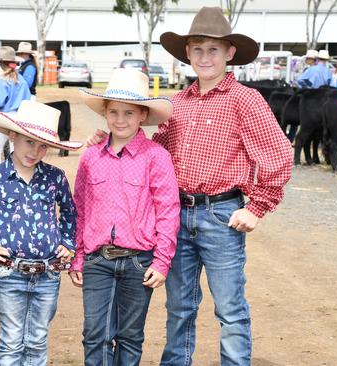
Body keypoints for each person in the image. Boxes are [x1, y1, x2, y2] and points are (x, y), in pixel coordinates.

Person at [87, 7, 293, 365]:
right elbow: (155, 151)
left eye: (213, 50)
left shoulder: (245, 100)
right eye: (197, 49)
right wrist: (114, 140)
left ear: (230, 53)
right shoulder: (176, 104)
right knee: (179, 305)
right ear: (187, 54)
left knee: (230, 306)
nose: (205, 57)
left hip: (222, 213)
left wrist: (257, 206)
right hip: (178, 213)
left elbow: (278, 154)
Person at [70, 68, 180, 365]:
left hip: (139, 260)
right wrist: (78, 256)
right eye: (114, 112)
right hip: (97, 259)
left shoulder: (156, 157)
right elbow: (80, 207)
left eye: (129, 113)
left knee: (131, 336)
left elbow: (168, 210)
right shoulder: (91, 156)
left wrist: (162, 261)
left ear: (143, 115)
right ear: (105, 112)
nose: (120, 120)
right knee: (95, 335)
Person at [0, 100, 82, 364]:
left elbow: (70, 213)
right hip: (10, 272)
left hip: (49, 273)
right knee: (11, 342)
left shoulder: (55, 177)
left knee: (38, 340)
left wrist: (68, 243)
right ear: (12, 136)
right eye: (30, 142)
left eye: (43, 145)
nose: (36, 151)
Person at [0, 46, 32, 168]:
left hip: (3, 117)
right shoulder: (21, 80)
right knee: (15, 149)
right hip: (18, 117)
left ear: (1, 63)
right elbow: (27, 100)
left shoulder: (2, 80)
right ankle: (16, 174)